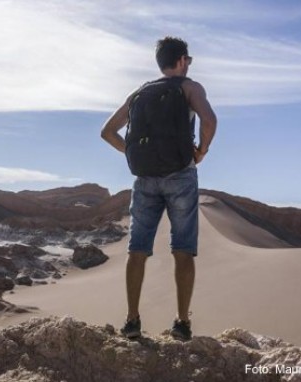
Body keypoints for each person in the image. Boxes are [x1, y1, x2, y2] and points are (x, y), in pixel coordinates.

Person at [100, 36, 217, 341]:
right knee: (183, 250)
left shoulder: (139, 92)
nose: (189, 65)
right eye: (188, 60)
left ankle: (132, 322)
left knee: (137, 250)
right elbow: (209, 120)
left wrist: (130, 152)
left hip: (144, 179)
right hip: (180, 175)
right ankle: (181, 323)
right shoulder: (189, 87)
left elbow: (107, 131)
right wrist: (201, 151)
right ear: (181, 60)